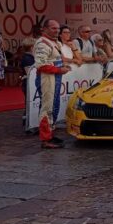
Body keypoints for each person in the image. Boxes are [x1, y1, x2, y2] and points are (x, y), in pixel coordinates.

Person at [34, 19, 72, 149]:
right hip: (47, 78)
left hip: (54, 77)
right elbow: (41, 65)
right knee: (47, 108)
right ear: (44, 29)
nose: (57, 30)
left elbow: (55, 59)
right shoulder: (42, 43)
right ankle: (45, 139)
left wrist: (63, 65)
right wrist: (59, 69)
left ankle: (50, 134)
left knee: (54, 107)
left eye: (57, 28)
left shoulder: (54, 42)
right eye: (53, 28)